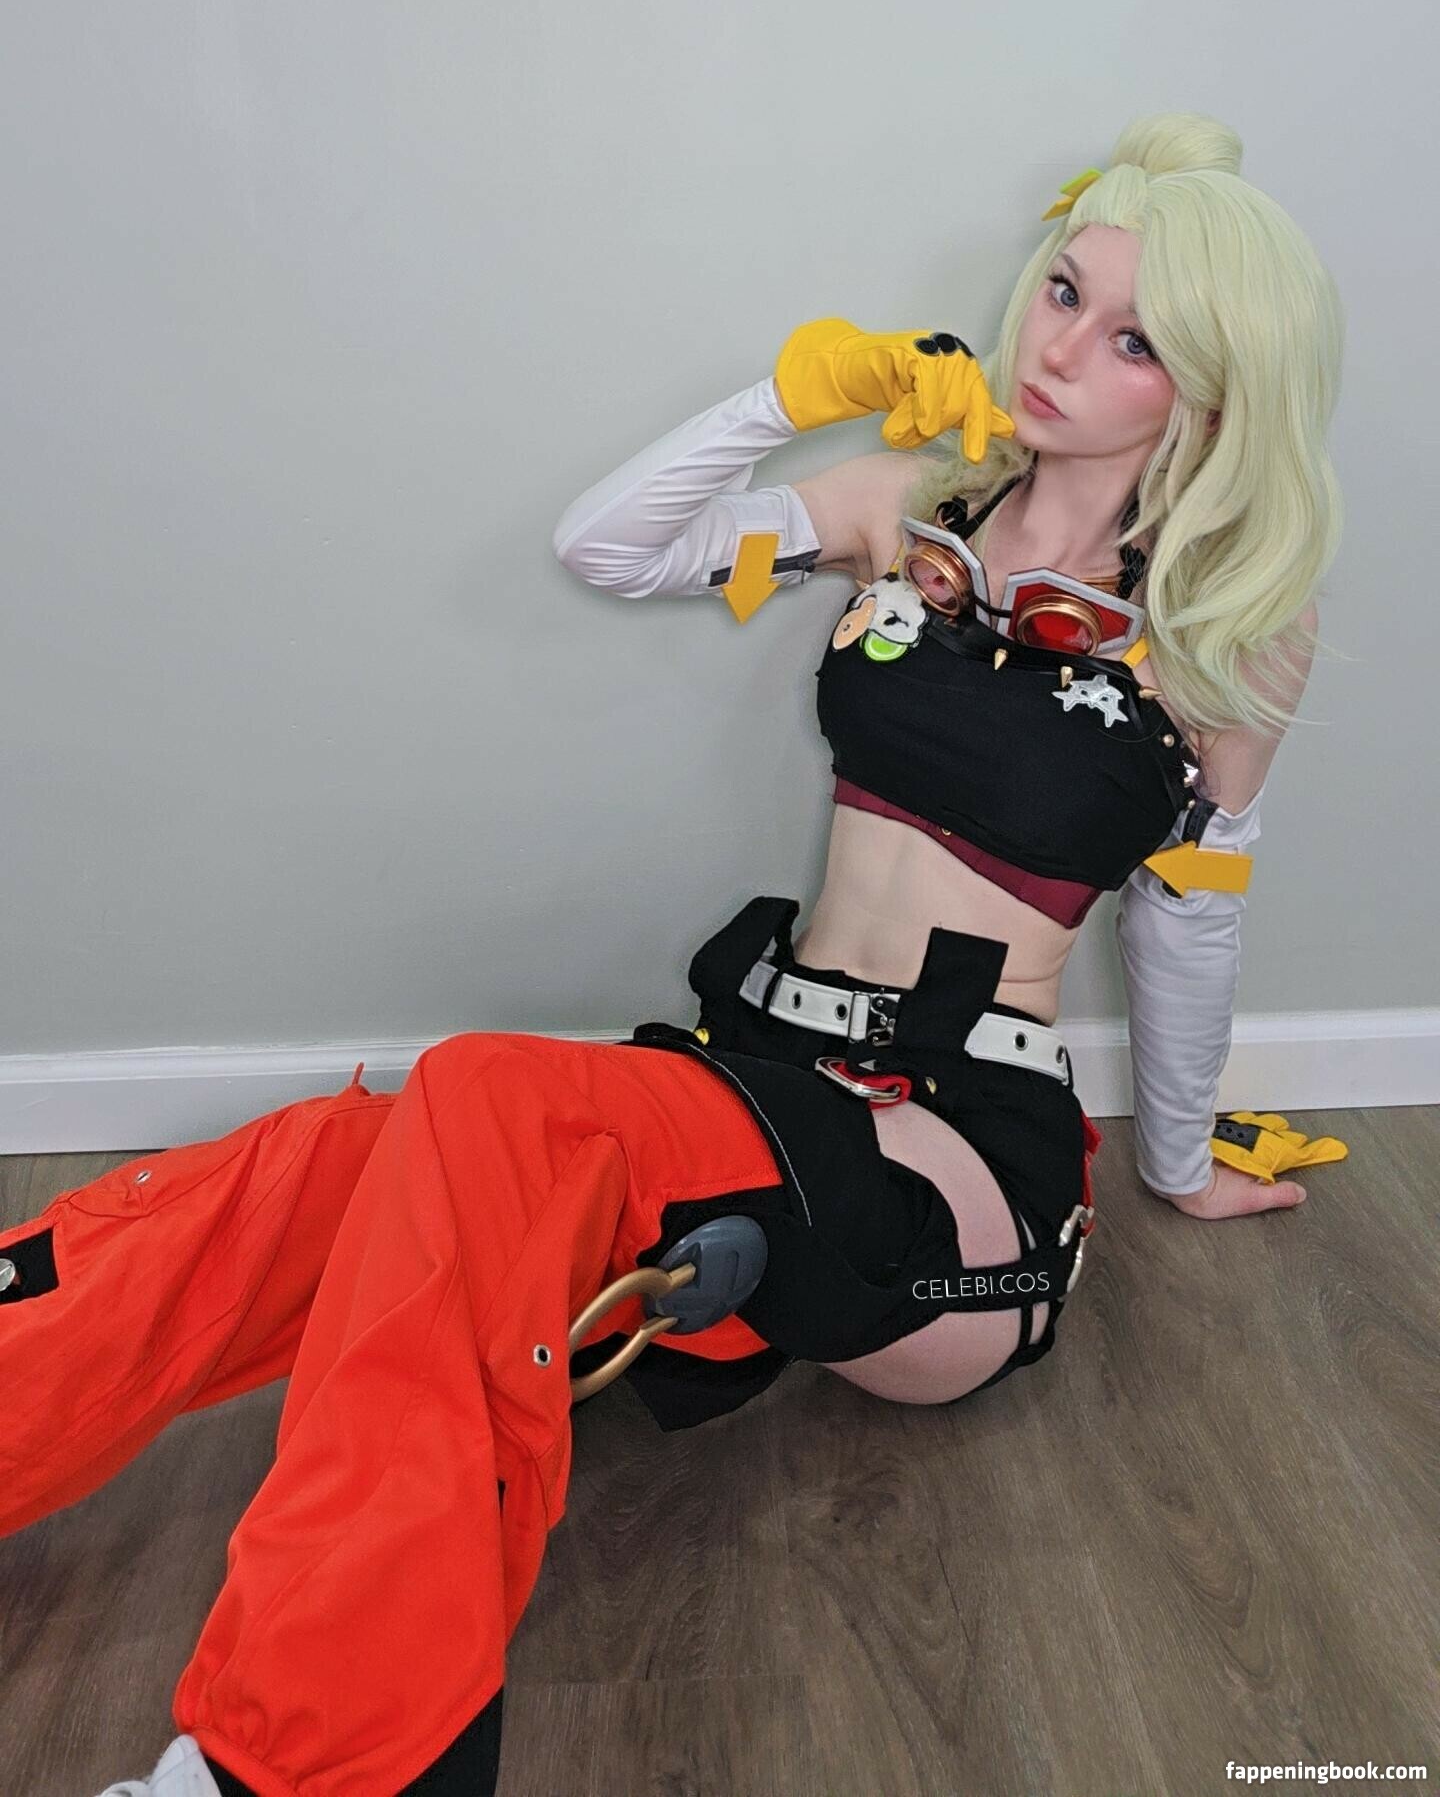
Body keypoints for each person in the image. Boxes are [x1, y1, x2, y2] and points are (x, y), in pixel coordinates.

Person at [1, 112, 1346, 1797]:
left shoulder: (1229, 626)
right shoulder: (915, 506)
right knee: (350, 1165)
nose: (1061, 349)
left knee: (483, 1106)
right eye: (1066, 291)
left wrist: (1179, 1160)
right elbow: (609, 546)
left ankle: (296, 1769)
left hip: (957, 1179)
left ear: (1211, 394)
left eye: (1135, 339)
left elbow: (1195, 915)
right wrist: (789, 398)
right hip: (756, 1081)